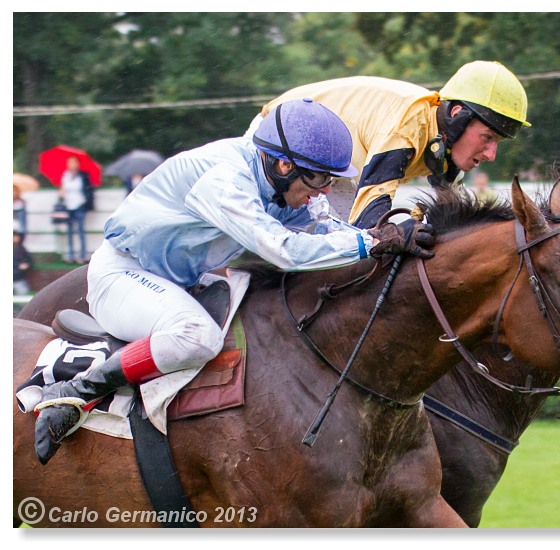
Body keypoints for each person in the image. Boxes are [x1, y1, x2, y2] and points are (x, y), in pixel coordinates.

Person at [32, 98, 434, 464]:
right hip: (122, 275)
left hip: (180, 279)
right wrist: (370, 243)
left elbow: (326, 231)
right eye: (319, 180)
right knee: (197, 335)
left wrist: (390, 233)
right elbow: (284, 250)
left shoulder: (280, 185)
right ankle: (78, 390)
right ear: (283, 166)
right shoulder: (225, 179)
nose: (325, 191)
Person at [245, 60, 530, 228]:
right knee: (343, 248)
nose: (492, 154)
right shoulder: (409, 124)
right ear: (458, 115)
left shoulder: (445, 144)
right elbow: (370, 222)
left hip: (335, 170)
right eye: (488, 138)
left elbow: (454, 222)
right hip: (278, 142)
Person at [59, 155, 93, 264]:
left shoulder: (83, 175)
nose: (72, 165)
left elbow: (88, 189)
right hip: (68, 205)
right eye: (70, 162)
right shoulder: (65, 176)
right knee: (69, 232)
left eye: (74, 162)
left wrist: (86, 201)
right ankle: (70, 255)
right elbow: (63, 189)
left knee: (81, 231)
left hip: (79, 204)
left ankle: (82, 255)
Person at [13, 230, 33, 296]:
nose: (15, 238)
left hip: (19, 279)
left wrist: (27, 265)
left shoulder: (21, 249)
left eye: (16, 236)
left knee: (22, 295)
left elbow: (30, 261)